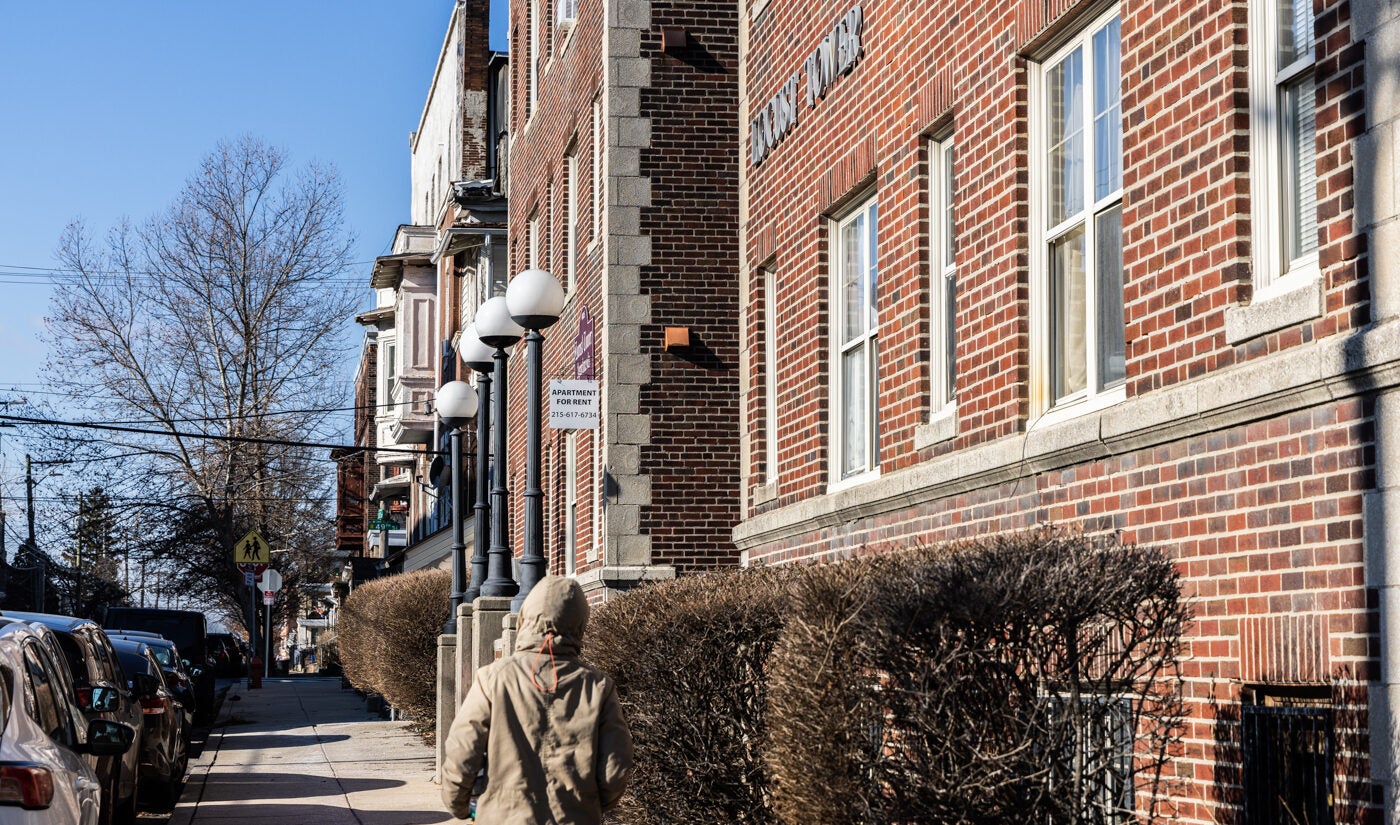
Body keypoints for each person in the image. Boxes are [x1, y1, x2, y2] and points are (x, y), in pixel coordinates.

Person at [442, 576, 633, 823]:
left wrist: (459, 805)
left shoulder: (493, 678)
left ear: (525, 617)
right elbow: (615, 767)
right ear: (579, 623)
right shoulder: (597, 685)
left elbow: (463, 748)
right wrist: (589, 804)